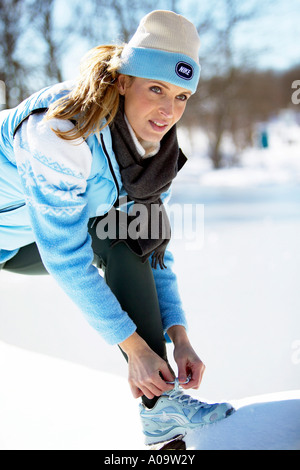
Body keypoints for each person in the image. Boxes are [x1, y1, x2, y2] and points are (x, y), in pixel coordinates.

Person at [0, 10, 234, 445]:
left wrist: (178, 336)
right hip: (16, 237)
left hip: (29, 238)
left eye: (182, 96)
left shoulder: (154, 155)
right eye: (157, 89)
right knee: (116, 231)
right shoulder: (61, 130)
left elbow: (152, 247)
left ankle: (162, 413)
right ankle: (159, 403)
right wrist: (136, 351)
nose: (169, 110)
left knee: (129, 233)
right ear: (124, 81)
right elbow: (65, 256)